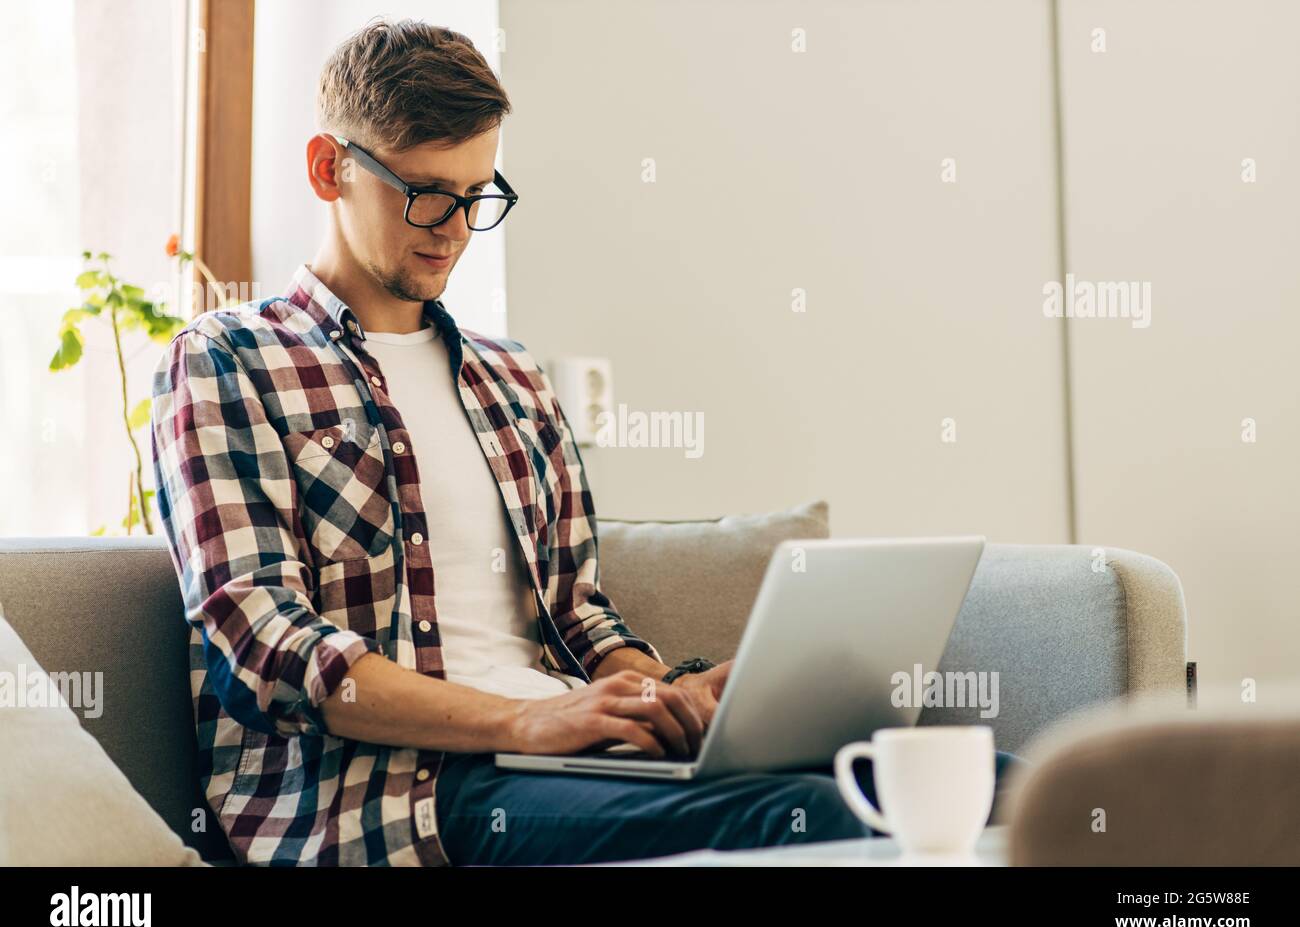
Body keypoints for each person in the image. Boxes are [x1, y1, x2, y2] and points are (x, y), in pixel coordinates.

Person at [150, 18, 1022, 866]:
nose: (453, 227)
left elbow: (576, 611)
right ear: (328, 167)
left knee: (1004, 784)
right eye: (424, 193)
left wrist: (658, 692)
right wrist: (519, 720)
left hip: (557, 752)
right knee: (814, 814)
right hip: (389, 797)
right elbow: (265, 645)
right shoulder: (226, 362)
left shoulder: (509, 379)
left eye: (476, 196)